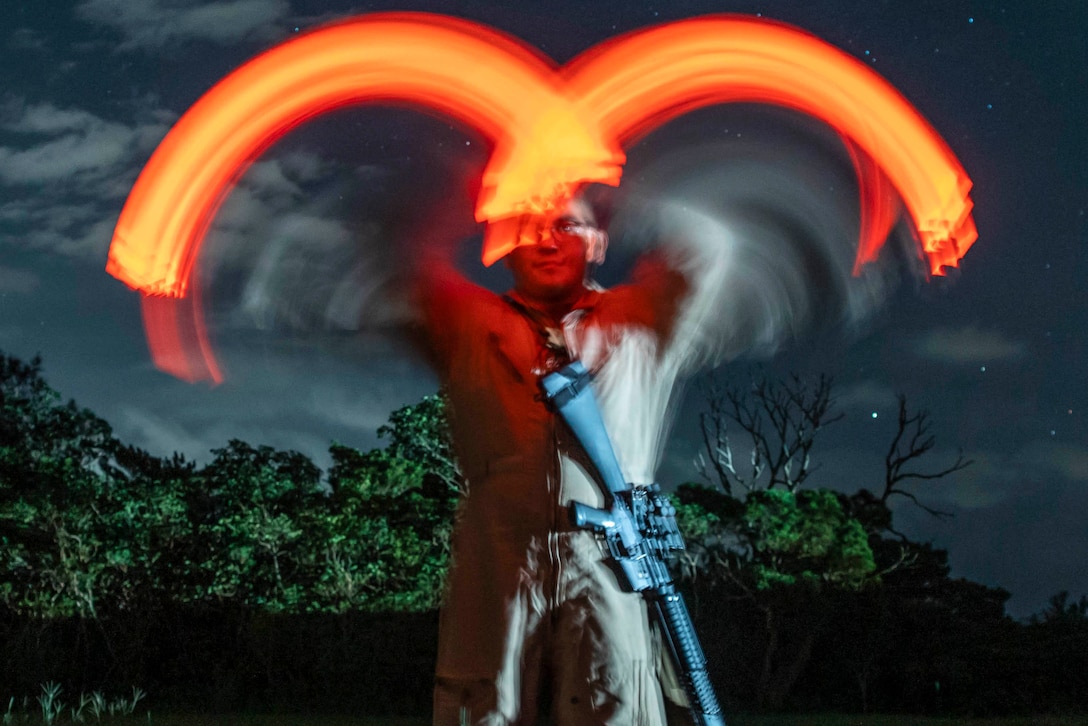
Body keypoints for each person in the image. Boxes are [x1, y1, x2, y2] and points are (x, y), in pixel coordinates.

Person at [412, 189, 699, 725]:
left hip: (610, 572)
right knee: (485, 706)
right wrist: (456, 198)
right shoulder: (474, 322)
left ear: (597, 242)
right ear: (505, 245)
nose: (547, 239)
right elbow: (394, 271)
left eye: (567, 225)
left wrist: (653, 201)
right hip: (496, 569)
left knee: (615, 704)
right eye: (529, 226)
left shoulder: (635, 321)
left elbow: (708, 257)